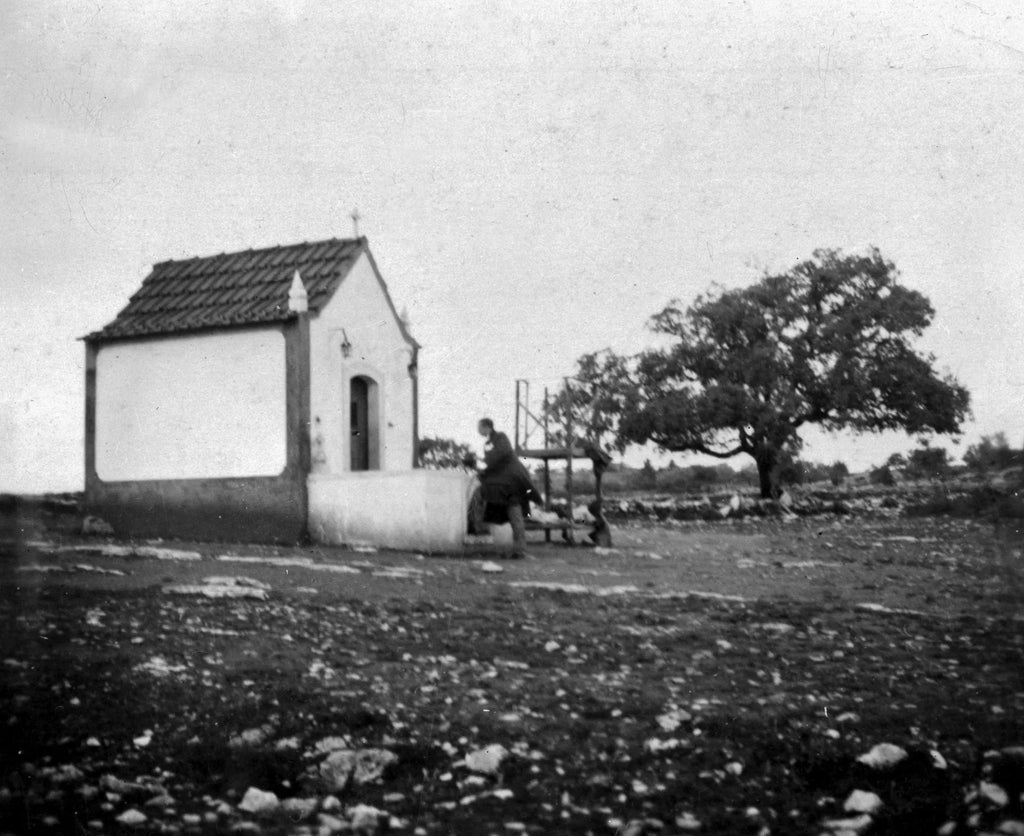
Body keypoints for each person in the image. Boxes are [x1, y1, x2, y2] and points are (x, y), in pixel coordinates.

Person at [470, 418, 540, 559]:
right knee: (507, 511)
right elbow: (492, 461)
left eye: (479, 427)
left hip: (511, 480)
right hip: (500, 482)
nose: (478, 431)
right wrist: (477, 461)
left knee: (514, 512)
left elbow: (500, 456)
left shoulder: (501, 437)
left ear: (486, 427)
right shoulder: (489, 443)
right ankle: (512, 547)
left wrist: (484, 468)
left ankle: (520, 550)